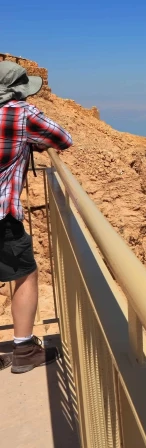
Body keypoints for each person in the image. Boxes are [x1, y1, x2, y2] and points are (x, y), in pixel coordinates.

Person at [0, 60, 73, 373]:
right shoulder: (21, 113)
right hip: (3, 215)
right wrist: (32, 142)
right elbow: (62, 138)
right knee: (24, 273)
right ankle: (24, 349)